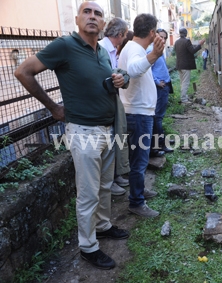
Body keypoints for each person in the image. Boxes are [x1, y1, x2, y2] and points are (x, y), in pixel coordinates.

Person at [14, 2, 130, 270]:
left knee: (103, 186)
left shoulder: (101, 52)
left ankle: (102, 226)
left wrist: (119, 79)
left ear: (103, 24)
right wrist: (53, 107)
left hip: (107, 129)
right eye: (86, 12)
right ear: (77, 19)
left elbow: (104, 81)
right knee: (88, 194)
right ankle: (88, 248)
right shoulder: (64, 46)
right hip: (84, 131)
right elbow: (22, 71)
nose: (92, 16)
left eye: (97, 13)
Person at [118, 13, 165, 218]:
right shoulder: (136, 49)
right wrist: (154, 54)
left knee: (139, 159)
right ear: (152, 32)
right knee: (139, 161)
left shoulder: (132, 47)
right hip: (138, 115)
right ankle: (136, 202)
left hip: (138, 113)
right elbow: (134, 70)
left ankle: (139, 191)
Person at [99, 17, 129, 195]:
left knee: (117, 138)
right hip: (104, 101)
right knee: (109, 143)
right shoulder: (102, 49)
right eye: (124, 35)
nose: (124, 39)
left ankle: (115, 177)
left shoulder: (112, 50)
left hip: (112, 99)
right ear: (119, 34)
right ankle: (109, 183)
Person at [146, 29, 174, 156]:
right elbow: (147, 70)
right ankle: (160, 144)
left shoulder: (159, 50)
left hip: (164, 86)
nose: (162, 40)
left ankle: (160, 141)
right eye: (160, 37)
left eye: (164, 38)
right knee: (158, 117)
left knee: (159, 116)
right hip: (159, 87)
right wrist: (157, 82)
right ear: (155, 36)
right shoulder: (151, 51)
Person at [174, 27, 205, 103]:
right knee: (185, 82)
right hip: (185, 66)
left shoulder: (177, 42)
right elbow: (192, 51)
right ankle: (184, 99)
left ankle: (184, 96)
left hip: (179, 65)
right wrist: (200, 44)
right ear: (186, 33)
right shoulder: (187, 41)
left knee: (182, 82)